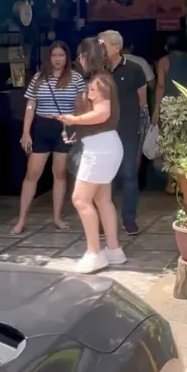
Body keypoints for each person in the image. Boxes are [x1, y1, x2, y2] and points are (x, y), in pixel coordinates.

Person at [57, 39, 126, 273]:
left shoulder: (98, 81)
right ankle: (114, 250)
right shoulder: (105, 79)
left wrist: (74, 120)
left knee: (80, 199)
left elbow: (102, 113)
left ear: (88, 56)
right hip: (105, 144)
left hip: (98, 149)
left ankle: (94, 253)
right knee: (102, 199)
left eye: (80, 55)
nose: (78, 60)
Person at [13, 42, 85, 235]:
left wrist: (78, 126)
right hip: (43, 127)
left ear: (67, 58)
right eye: (54, 55)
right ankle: (21, 219)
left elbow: (80, 106)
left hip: (65, 127)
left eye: (61, 55)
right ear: (49, 58)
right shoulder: (39, 78)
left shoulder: (76, 78)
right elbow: (30, 106)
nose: (58, 59)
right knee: (32, 174)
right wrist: (26, 132)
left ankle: (57, 217)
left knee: (60, 174)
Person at [100, 30, 147, 236]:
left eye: (103, 44)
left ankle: (129, 219)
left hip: (127, 128)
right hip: (102, 131)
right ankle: (104, 219)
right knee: (103, 176)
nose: (99, 48)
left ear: (116, 47)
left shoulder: (135, 69)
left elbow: (142, 100)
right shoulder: (98, 71)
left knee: (129, 175)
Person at [152, 34, 187, 125]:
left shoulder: (163, 61)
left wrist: (156, 110)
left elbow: (161, 86)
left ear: (167, 46)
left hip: (169, 106)